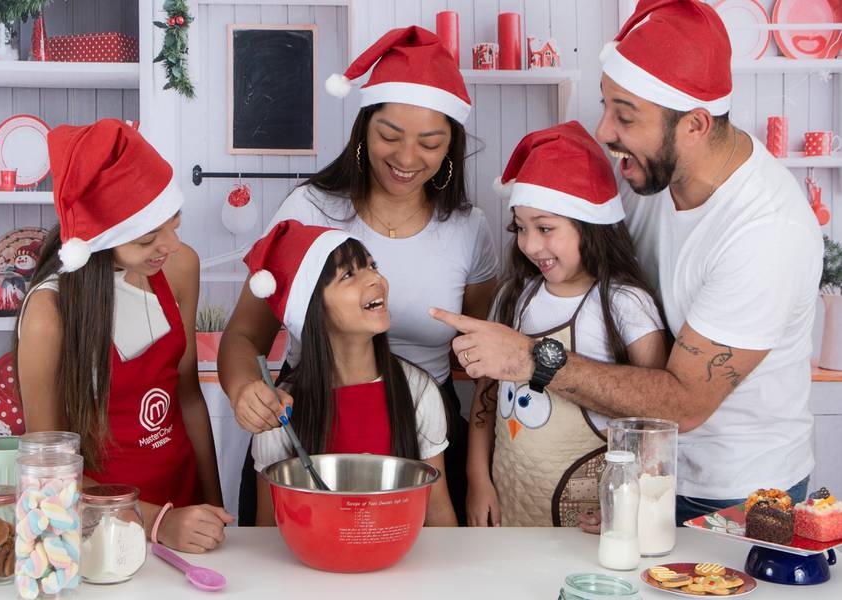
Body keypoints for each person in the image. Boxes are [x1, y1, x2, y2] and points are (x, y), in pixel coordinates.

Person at [433, 0, 822, 526]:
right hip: (639, 474)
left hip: (731, 490)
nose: (604, 130)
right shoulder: (650, 178)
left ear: (695, 125)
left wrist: (533, 359)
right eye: (606, 105)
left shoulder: (767, 232)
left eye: (625, 115)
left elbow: (684, 404)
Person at [219, 26, 498, 525]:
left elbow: (483, 363)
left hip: (421, 430)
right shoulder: (308, 208)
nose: (406, 159)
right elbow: (243, 335)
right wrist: (244, 391)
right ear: (364, 128)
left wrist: (479, 474)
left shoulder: (468, 228)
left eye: (430, 143)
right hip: (309, 420)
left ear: (451, 145)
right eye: (390, 136)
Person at [16, 119, 233, 553]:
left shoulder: (179, 267)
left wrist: (214, 504)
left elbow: (188, 397)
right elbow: (49, 473)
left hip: (186, 509)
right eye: (149, 238)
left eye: (174, 223)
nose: (171, 245)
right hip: (100, 528)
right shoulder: (49, 313)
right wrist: (159, 523)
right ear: (99, 241)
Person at [466, 122, 668, 528]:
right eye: (520, 228)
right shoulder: (513, 297)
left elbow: (657, 423)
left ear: (589, 224)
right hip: (510, 503)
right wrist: (477, 480)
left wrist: (631, 503)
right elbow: (485, 397)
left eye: (545, 228)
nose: (529, 244)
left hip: (592, 522)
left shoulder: (626, 306)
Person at [241, 220, 456, 526]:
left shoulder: (417, 390)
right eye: (348, 275)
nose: (375, 279)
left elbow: (437, 512)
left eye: (372, 266)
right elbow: (269, 524)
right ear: (313, 308)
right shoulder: (281, 409)